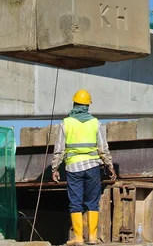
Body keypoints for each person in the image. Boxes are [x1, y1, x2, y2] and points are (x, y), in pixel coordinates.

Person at [51, 89, 117, 245]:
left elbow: (59, 149)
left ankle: (78, 238)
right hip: (93, 166)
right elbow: (103, 147)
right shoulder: (96, 123)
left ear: (74, 104)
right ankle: (93, 238)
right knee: (93, 201)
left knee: (75, 202)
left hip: (73, 168)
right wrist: (110, 166)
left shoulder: (65, 124)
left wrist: (55, 168)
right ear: (88, 106)